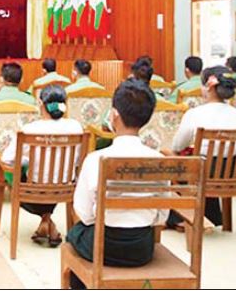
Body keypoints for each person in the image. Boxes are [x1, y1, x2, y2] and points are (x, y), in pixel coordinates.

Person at [67, 79, 166, 289]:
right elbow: (162, 216)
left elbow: (84, 213)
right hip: (141, 249)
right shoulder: (159, 160)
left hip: (103, 245)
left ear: (114, 115)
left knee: (74, 235)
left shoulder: (96, 159)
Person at [0, 85, 83, 247]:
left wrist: (27, 161)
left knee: (14, 175)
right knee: (51, 176)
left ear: (41, 104)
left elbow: (7, 159)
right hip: (66, 186)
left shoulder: (29, 129)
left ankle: (46, 221)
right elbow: (79, 161)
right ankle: (47, 222)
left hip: (34, 188)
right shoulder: (76, 127)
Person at [166, 66, 236, 230]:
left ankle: (179, 215)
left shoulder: (195, 114)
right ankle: (211, 215)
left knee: (170, 154)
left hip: (202, 175)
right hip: (233, 174)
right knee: (206, 161)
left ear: (209, 87)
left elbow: (177, 145)